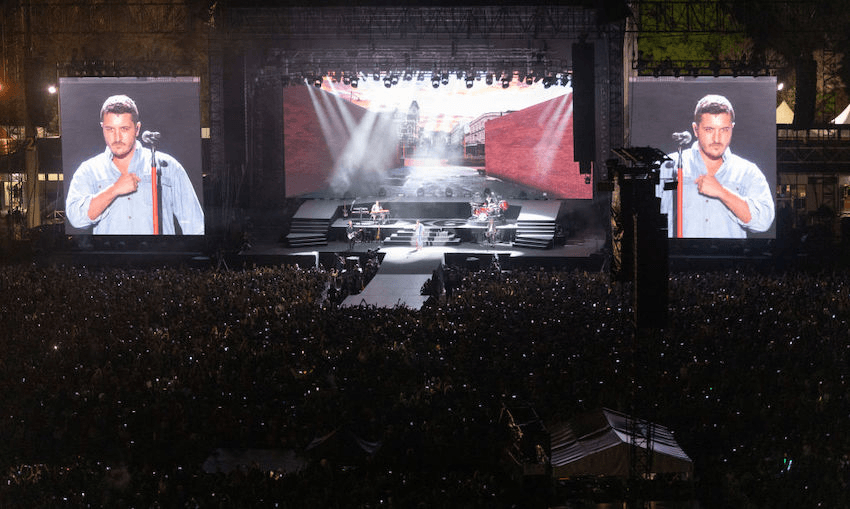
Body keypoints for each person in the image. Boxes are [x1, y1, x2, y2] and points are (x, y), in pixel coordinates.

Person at [66, 95, 204, 235]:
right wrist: (114, 190)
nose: (117, 137)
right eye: (110, 129)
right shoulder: (88, 171)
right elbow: (76, 219)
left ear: (137, 129)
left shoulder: (167, 167)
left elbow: (196, 226)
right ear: (102, 128)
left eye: (124, 129)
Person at [657, 94, 774, 238]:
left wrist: (722, 192)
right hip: (679, 252)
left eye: (724, 129)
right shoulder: (669, 167)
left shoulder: (747, 172)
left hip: (728, 253)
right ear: (695, 130)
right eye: (709, 129)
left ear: (732, 128)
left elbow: (764, 222)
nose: (717, 139)